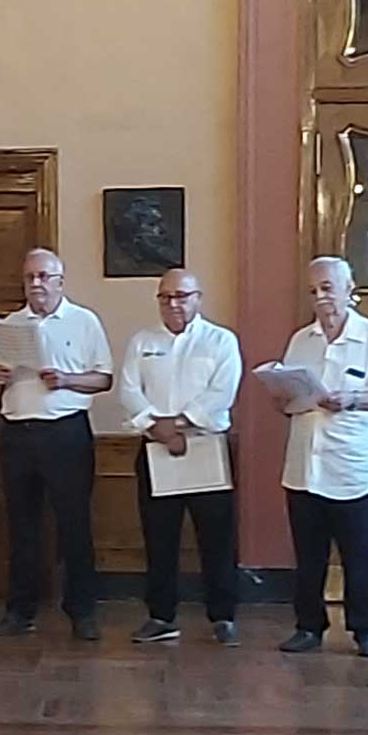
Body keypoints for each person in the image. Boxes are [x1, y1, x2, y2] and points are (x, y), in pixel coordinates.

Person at [275, 256, 368, 658]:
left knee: (358, 555)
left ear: (350, 290)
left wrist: (353, 399)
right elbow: (287, 396)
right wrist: (285, 394)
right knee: (308, 556)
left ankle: (366, 628)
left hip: (352, 467)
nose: (320, 298)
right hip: (304, 465)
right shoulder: (301, 340)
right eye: (313, 291)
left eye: (328, 289)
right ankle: (308, 626)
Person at [0, 248, 114, 641]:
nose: (37, 284)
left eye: (44, 276)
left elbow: (104, 378)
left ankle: (82, 612)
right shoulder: (10, 324)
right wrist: (0, 374)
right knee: (22, 526)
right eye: (30, 278)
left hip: (65, 433)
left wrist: (67, 380)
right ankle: (19, 611)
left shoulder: (83, 321)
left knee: (74, 525)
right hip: (17, 434)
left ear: (60, 280)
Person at [116, 268, 243, 646]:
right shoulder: (142, 341)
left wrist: (182, 424)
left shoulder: (221, 341)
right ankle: (161, 616)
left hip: (206, 447)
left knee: (216, 539)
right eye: (166, 297)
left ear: (198, 299)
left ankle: (222, 617)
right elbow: (128, 390)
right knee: (159, 538)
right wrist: (157, 429)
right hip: (155, 450)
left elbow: (222, 392)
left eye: (182, 296)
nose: (174, 304)